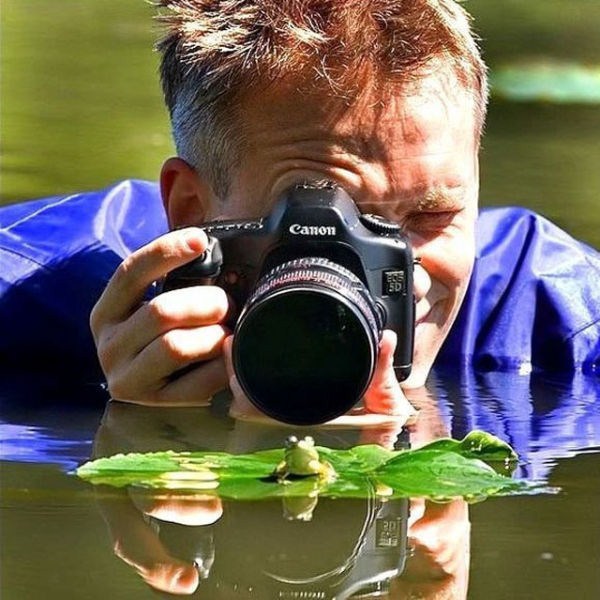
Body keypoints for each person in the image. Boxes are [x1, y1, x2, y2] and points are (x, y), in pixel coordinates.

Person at [88, 0, 488, 417]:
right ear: (192, 211)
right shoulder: (23, 321)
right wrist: (151, 428)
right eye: (325, 223)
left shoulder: (548, 330)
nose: (414, 282)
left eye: (433, 216)